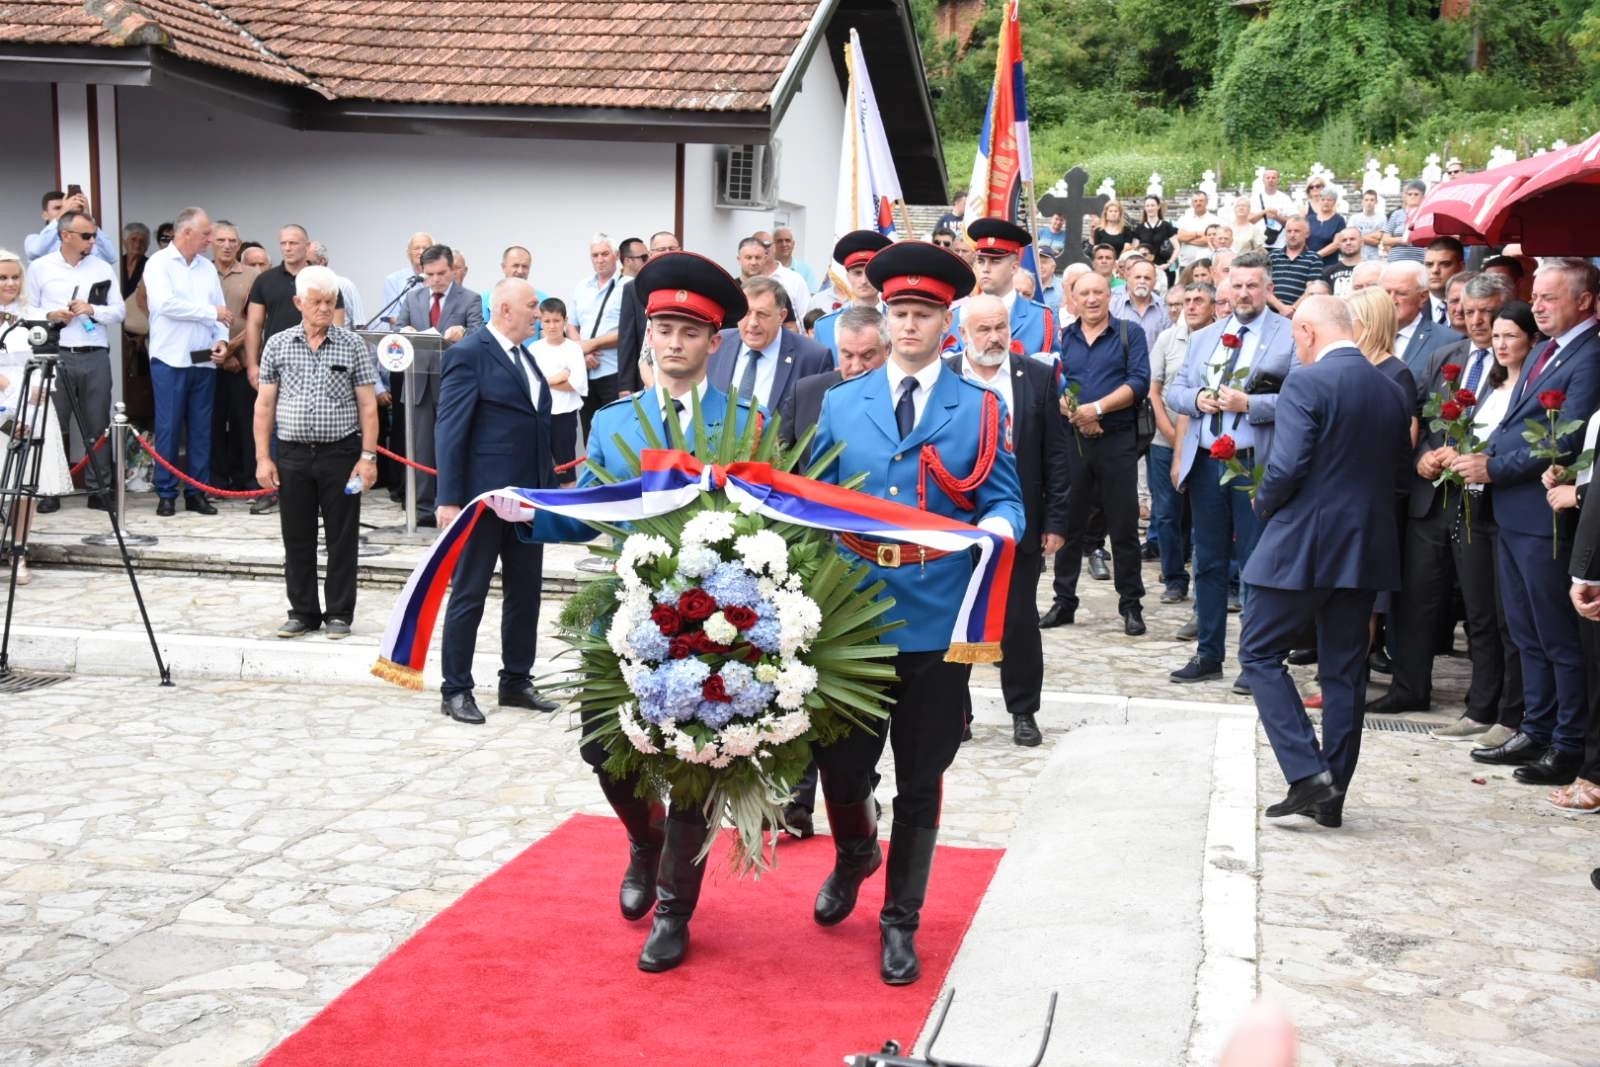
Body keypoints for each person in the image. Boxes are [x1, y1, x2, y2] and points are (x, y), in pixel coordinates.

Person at [506, 253, 757, 974]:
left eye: (690, 331)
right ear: (649, 336)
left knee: (696, 766)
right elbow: (592, 510)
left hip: (714, 626)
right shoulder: (616, 422)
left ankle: (675, 911)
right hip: (623, 616)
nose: (674, 342)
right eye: (664, 329)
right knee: (602, 750)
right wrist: (530, 512)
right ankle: (645, 840)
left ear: (714, 341)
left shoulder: (747, 425)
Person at [808, 240, 1022, 986]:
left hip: (937, 614)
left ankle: (900, 920)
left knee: (922, 774)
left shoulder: (981, 407)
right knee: (841, 766)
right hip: (855, 614)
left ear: (946, 323)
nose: (908, 324)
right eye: (898, 310)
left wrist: (997, 528)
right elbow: (815, 498)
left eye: (923, 313)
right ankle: (854, 852)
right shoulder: (843, 402)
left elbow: (1004, 497)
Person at [1244, 295, 1413, 828]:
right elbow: (1400, 475)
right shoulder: (1391, 388)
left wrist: (1263, 502)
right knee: (1345, 670)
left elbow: (1287, 465)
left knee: (1259, 653)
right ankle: (1331, 796)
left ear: (1309, 332)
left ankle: (1307, 773)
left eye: (1296, 336)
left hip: (1304, 542)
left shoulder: (1307, 381)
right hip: (1366, 545)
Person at [1460, 260, 1600, 786]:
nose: (1537, 306)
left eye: (1549, 297)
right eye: (1535, 296)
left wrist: (1495, 467)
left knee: (1555, 633)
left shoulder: (1591, 354)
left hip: (1544, 513)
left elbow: (1567, 435)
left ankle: (1567, 741)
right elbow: (1517, 420)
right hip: (1513, 511)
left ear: (1584, 301)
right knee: (1525, 630)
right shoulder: (1546, 349)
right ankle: (1536, 727)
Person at [1397, 284, 1525, 742]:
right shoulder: (1445, 356)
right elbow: (1421, 414)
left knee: (1483, 610)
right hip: (1434, 494)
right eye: (1468, 311)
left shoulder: (1518, 366)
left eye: (1486, 312)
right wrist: (1422, 457)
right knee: (1418, 597)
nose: (1476, 321)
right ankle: (1409, 688)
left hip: (1484, 501)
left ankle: (1488, 704)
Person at [432, 277, 561, 724]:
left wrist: (547, 494)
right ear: (505, 309)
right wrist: (449, 498)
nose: (538, 313)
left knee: (525, 593)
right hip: (483, 499)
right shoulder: (469, 354)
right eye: (532, 305)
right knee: (470, 592)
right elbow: (450, 427)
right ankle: (455, 688)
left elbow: (535, 425)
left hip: (526, 499)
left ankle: (516, 680)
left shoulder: (526, 356)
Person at [1165, 253, 1296, 688]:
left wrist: (1250, 404)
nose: (1243, 293)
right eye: (1236, 286)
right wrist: (1197, 398)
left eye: (1252, 286)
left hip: (1254, 464)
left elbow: (1300, 399)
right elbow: (1175, 391)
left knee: (1256, 562)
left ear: (1267, 289)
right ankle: (1208, 654)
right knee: (1207, 559)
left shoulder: (1288, 335)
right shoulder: (1206, 336)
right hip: (1207, 462)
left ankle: (1255, 661)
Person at [950, 294, 1068, 748]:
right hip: (957, 524)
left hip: (1020, 524)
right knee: (955, 618)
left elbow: (1056, 454)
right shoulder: (945, 376)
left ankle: (1023, 711)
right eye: (983, 329)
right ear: (963, 334)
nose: (994, 337)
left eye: (1001, 327)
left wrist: (1056, 521)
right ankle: (956, 713)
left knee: (1018, 620)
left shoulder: (1036, 377)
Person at [253, 265, 378, 639]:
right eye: (317, 301)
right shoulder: (277, 344)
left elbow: (368, 405)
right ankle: (302, 611)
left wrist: (368, 457)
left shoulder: (351, 344)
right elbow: (264, 405)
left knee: (342, 537)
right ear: (298, 303)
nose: (324, 308)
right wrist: (263, 456)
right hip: (292, 453)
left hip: (340, 453)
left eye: (330, 301)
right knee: (296, 536)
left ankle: (339, 612)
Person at [1045, 269, 1150, 635]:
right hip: (1073, 440)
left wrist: (1098, 409)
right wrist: (1079, 414)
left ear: (1110, 296)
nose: (1091, 299)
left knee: (1123, 526)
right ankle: (1064, 601)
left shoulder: (1129, 333)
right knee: (1069, 524)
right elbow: (1053, 382)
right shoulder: (1062, 337)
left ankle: (1131, 604)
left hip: (1116, 440)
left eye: (1098, 292)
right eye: (1084, 293)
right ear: (1073, 299)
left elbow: (1139, 381)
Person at [26, 208, 125, 511]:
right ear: (65, 235)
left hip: (94, 354)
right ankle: (50, 489)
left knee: (98, 424)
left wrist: (93, 310)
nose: (93, 241)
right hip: (55, 354)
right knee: (53, 424)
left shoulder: (102, 267)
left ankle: (100, 489)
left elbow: (119, 311)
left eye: (94, 235)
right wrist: (50, 314)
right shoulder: (40, 267)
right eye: (86, 235)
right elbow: (26, 309)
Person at [245, 225, 348, 516]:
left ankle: (317, 493)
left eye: (293, 243)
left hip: (319, 365)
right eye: (283, 243)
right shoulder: (265, 280)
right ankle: (272, 490)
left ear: (306, 245)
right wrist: (252, 363)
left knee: (314, 427)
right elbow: (254, 323)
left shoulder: (324, 280)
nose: (288, 248)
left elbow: (338, 323)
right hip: (280, 363)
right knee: (273, 424)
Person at [143, 207, 229, 517]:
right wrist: (211, 313)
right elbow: (165, 305)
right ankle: (166, 493)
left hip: (202, 356)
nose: (210, 240)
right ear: (186, 232)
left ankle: (196, 492)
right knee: (168, 427)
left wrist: (222, 341)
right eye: (206, 234)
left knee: (202, 429)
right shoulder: (159, 263)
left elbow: (222, 312)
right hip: (170, 356)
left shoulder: (207, 268)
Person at [392, 242, 483, 526]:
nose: (435, 280)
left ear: (453, 270)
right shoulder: (413, 297)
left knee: (451, 446)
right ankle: (422, 510)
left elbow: (480, 333)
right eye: (429, 275)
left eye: (441, 273)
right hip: (418, 382)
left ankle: (453, 503)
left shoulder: (470, 298)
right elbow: (397, 328)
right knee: (420, 449)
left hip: (454, 385)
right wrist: (404, 331)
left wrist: (463, 332)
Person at [0, 250, 71, 584]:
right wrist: (15, 388)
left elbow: (48, 355)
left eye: (15, 277)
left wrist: (43, 386)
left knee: (25, 484)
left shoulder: (33, 314)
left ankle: (19, 551)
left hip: (33, 402)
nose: (10, 283)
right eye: (3, 278)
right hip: (5, 399)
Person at [1149, 282, 1214, 604]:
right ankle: (1174, 578)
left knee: (1206, 515)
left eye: (1199, 300)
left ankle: (1215, 581)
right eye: (1186, 300)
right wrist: (1172, 435)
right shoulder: (1167, 338)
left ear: (1213, 305)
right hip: (1165, 438)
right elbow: (1154, 390)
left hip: (1207, 442)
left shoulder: (1221, 339)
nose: (1190, 306)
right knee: (1166, 513)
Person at [779, 305, 888, 461]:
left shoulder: (902, 399)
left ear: (887, 350)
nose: (856, 367)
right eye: (848, 355)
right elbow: (779, 461)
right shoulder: (805, 394)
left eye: (867, 356)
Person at [709, 276, 831, 413]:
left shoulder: (813, 358)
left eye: (762, 314)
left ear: (782, 316)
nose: (753, 323)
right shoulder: (718, 343)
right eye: (746, 313)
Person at [953, 218, 1058, 356]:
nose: (985, 269)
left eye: (995, 261)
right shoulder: (958, 315)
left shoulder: (1040, 317)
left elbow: (1052, 366)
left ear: (1014, 267)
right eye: (981, 261)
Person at [209, 221, 260, 493]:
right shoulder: (202, 272)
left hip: (243, 360)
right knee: (212, 422)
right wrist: (219, 351)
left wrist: (230, 349)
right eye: (221, 240)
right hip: (208, 360)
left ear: (239, 245)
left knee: (246, 422)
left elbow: (257, 319)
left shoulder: (253, 275)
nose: (227, 246)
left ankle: (248, 480)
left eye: (232, 241)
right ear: (211, 243)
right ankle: (216, 480)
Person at [530, 297, 587, 483]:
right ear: (540, 321)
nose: (552, 326)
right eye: (547, 321)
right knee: (542, 467)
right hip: (540, 415)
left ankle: (566, 500)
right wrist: (556, 378)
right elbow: (531, 383)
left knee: (565, 468)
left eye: (556, 320)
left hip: (564, 415)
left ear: (565, 321)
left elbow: (576, 384)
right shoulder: (534, 349)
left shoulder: (573, 349)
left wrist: (544, 381)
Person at [574, 233, 625, 437]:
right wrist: (583, 352)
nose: (600, 259)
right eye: (595, 255)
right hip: (585, 371)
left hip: (615, 371)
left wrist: (592, 345)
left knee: (615, 433)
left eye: (605, 254)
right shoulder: (582, 286)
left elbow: (630, 331)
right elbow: (571, 325)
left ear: (617, 255)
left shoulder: (628, 285)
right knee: (590, 433)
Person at [617, 230, 680, 396]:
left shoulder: (690, 286)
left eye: (672, 248)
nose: (667, 253)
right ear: (651, 254)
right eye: (661, 249)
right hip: (646, 376)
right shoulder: (633, 288)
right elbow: (627, 339)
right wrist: (625, 386)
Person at [811, 231, 891, 360]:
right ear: (848, 276)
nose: (864, 281)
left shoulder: (897, 323)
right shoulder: (826, 326)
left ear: (880, 275)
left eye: (869, 273)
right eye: (857, 273)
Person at [1383, 260, 1461, 379]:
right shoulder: (1364, 335)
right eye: (1386, 292)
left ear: (1423, 297)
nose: (1391, 300)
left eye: (1401, 293)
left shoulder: (1448, 341)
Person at [24, 189, 116, 266]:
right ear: (45, 215)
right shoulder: (33, 239)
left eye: (67, 207)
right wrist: (62, 213)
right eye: (58, 208)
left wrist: (87, 218)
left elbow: (112, 258)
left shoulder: (81, 240)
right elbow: (35, 251)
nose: (65, 210)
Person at [1265, 218, 1323, 315]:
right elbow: (1263, 286)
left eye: (1297, 231)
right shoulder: (1272, 256)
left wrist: (1292, 310)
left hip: (1299, 314)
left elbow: (1312, 289)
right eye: (1289, 231)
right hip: (1270, 312)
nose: (1292, 235)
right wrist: (1281, 307)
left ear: (1307, 234)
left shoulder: (1314, 258)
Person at [379, 232, 434, 327]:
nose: (421, 252)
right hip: (405, 334)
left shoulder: (441, 280)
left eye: (425, 248)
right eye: (416, 248)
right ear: (408, 253)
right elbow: (393, 317)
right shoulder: (393, 280)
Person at [1381, 180, 1428, 263]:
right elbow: (1385, 239)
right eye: (1410, 194)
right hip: (1396, 260)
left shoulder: (1426, 215)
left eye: (1416, 194)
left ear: (1423, 197)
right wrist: (1400, 240)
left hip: (1419, 260)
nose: (1412, 197)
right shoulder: (1397, 214)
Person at [1174, 192, 1221, 274]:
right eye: (1195, 201)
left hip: (1207, 265)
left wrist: (1187, 239)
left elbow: (1208, 240)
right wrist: (1198, 234)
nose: (1198, 203)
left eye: (1201, 200)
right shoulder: (1183, 219)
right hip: (1186, 265)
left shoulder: (1215, 220)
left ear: (1206, 202)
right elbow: (1179, 237)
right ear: (1192, 203)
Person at [1423, 238, 1466, 327]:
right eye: (1429, 265)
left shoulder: (1475, 306)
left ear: (1461, 267)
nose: (1435, 270)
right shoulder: (1412, 308)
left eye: (1444, 264)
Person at [1130, 196, 1178, 275]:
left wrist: (1169, 264)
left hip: (1164, 268)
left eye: (1152, 205)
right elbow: (1135, 249)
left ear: (1158, 206)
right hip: (1145, 269)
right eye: (1147, 206)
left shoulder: (1167, 226)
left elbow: (1177, 247)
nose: (1150, 208)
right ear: (1144, 208)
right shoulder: (1139, 228)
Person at [1250, 169, 1295, 250]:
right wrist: (1264, 213)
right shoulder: (1254, 198)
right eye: (1268, 178)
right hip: (1259, 245)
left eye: (1273, 178)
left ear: (1278, 180)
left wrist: (1276, 217)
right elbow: (1249, 221)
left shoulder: (1285, 198)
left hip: (1280, 244)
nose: (1270, 180)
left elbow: (1293, 222)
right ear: (1263, 180)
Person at [1321, 228, 1365, 297]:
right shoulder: (1327, 272)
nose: (1348, 243)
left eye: (1352, 239)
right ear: (1338, 245)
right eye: (1344, 240)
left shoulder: (1371, 270)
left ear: (1362, 242)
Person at [772, 226, 818, 291]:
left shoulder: (805, 270)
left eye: (787, 240)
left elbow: (811, 294)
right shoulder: (766, 268)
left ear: (793, 244)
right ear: (773, 245)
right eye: (779, 241)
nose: (784, 244)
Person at [1306, 189, 1346, 259]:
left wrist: (1316, 256)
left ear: (1334, 202)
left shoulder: (1339, 220)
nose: (1326, 202)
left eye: (1329, 200)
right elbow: (1302, 239)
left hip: (1329, 262)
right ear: (1319, 201)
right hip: (1308, 260)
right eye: (1323, 199)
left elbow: (1336, 244)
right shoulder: (1309, 219)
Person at [1350, 189, 1387, 260]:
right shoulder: (1354, 218)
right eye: (1366, 200)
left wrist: (1358, 237)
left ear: (1376, 202)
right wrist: (1373, 238)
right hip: (1357, 256)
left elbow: (1379, 240)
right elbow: (1351, 237)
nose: (1369, 202)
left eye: (1372, 200)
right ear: (1362, 202)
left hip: (1374, 258)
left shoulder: (1382, 218)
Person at [119, 222, 149, 300]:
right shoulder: (117, 263)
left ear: (147, 246)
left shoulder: (151, 265)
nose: (137, 244)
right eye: (133, 239)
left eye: (142, 241)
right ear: (124, 242)